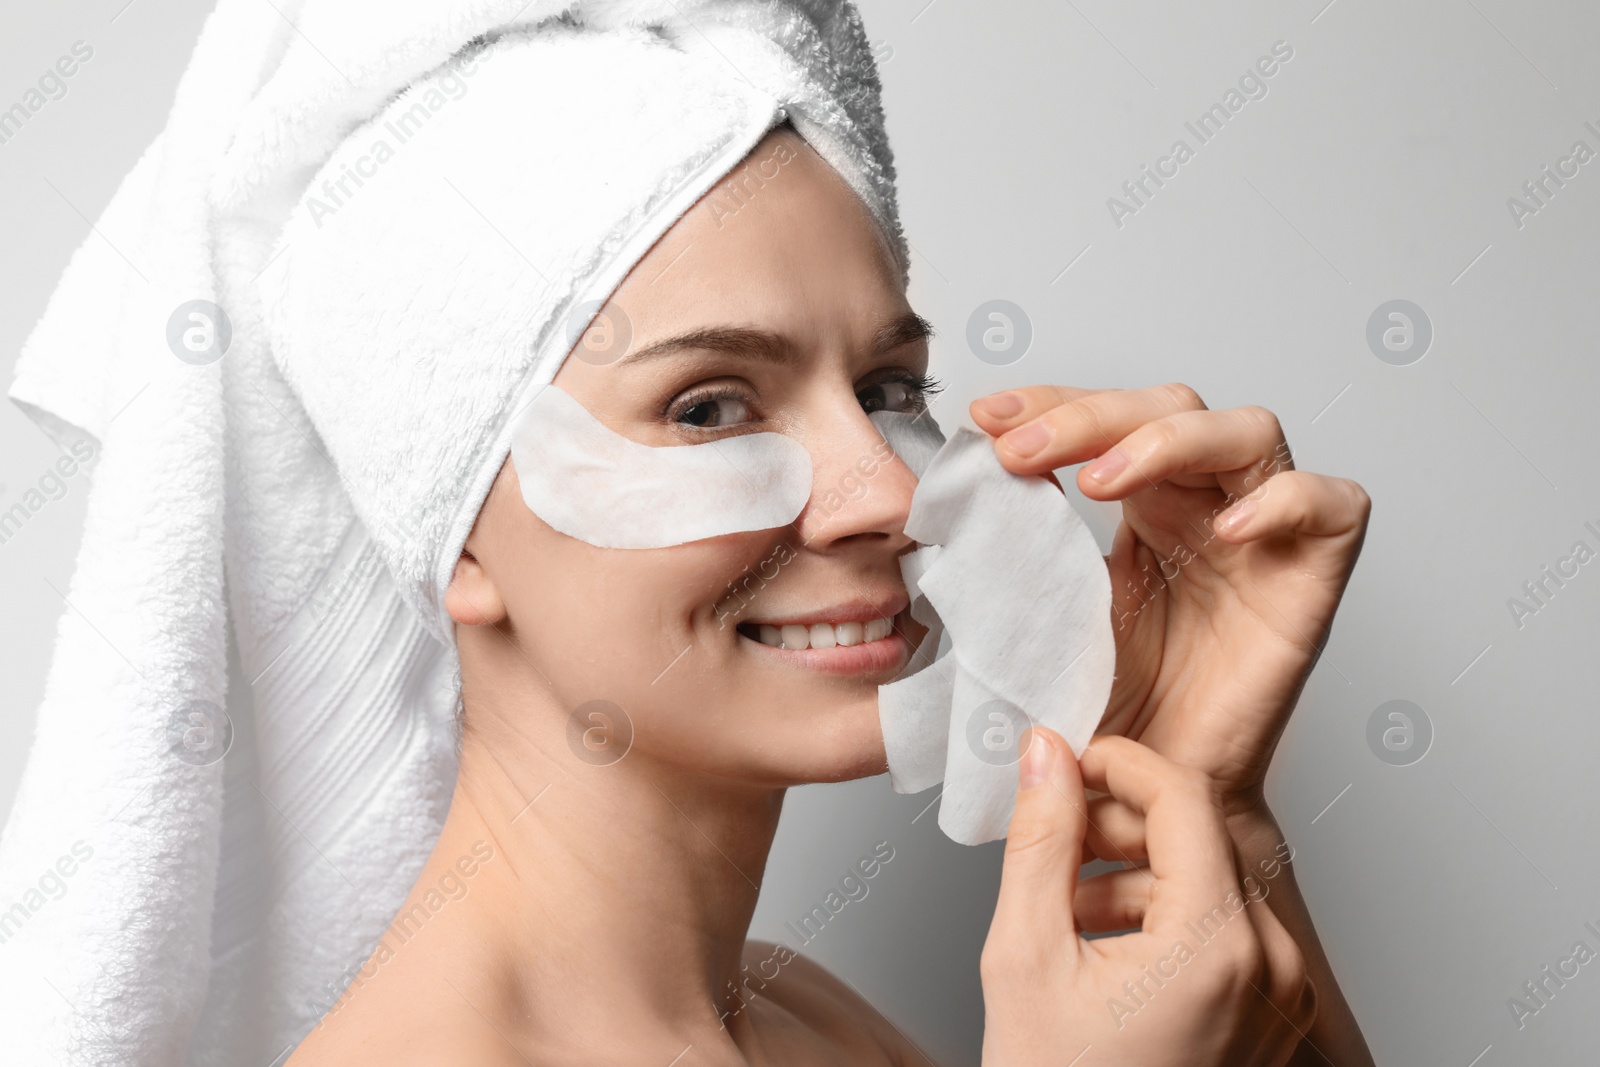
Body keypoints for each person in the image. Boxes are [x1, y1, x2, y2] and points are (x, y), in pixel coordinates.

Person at [285, 122, 1374, 1066]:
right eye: (709, 409)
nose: (889, 491)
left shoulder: (803, 1019)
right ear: (457, 537)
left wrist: (1196, 794)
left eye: (888, 388)